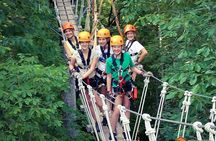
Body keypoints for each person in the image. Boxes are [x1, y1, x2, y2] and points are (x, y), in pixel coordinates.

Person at [106, 35, 144, 140]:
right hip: (117, 86)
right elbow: (109, 77)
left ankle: (126, 131)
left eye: (118, 46)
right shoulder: (109, 61)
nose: (116, 49)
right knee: (117, 110)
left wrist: (142, 73)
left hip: (127, 84)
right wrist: (109, 90)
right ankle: (112, 131)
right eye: (114, 47)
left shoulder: (127, 56)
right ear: (112, 47)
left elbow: (132, 67)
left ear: (122, 46)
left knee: (127, 107)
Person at [69, 31, 101, 132]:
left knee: (97, 100)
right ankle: (96, 122)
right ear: (79, 43)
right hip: (81, 80)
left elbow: (92, 68)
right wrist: (73, 70)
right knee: (89, 102)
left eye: (86, 42)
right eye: (82, 42)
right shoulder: (76, 53)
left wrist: (82, 77)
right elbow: (71, 64)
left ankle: (104, 114)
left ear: (89, 42)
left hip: (91, 79)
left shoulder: (95, 53)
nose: (84, 44)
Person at [94, 28, 112, 126]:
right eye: (100, 39)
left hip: (110, 75)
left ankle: (108, 117)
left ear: (108, 39)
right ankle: (104, 115)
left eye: (103, 39)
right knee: (100, 97)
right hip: (99, 75)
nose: (101, 41)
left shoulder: (113, 48)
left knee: (107, 97)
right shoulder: (96, 49)